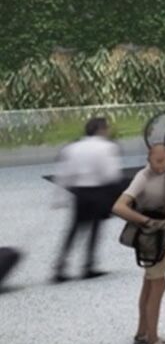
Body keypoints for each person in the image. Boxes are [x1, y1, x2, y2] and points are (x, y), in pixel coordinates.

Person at [111, 144, 165, 344]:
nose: (159, 165)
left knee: (150, 281)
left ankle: (143, 333)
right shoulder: (142, 177)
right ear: (149, 159)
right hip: (151, 237)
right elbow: (119, 206)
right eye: (155, 161)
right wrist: (146, 221)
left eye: (163, 160)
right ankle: (152, 342)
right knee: (158, 283)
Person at [53, 116, 122, 283]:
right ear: (101, 129)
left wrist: (58, 198)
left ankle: (60, 267)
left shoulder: (73, 147)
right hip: (97, 192)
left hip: (79, 192)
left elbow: (63, 174)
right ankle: (88, 266)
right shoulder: (107, 147)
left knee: (74, 229)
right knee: (95, 229)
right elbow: (110, 174)